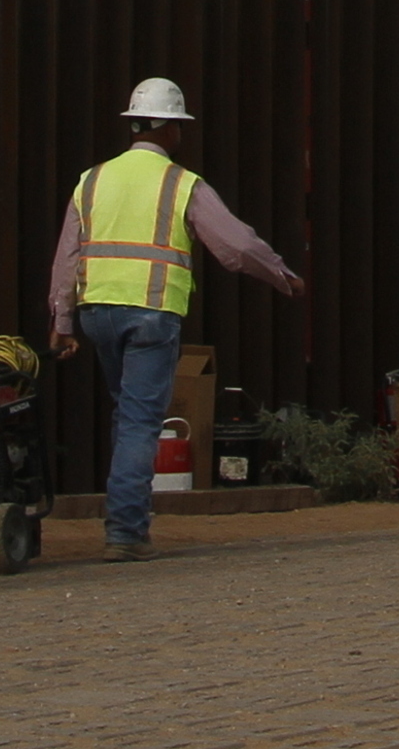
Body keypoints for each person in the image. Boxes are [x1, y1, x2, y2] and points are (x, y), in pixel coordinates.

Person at [49, 75, 309, 562]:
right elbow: (235, 245)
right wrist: (282, 275)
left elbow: (68, 255)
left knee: (126, 414)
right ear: (171, 129)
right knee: (139, 421)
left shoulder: (92, 179)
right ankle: (125, 532)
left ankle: (125, 518)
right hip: (151, 312)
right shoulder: (181, 183)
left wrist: (61, 322)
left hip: (97, 312)